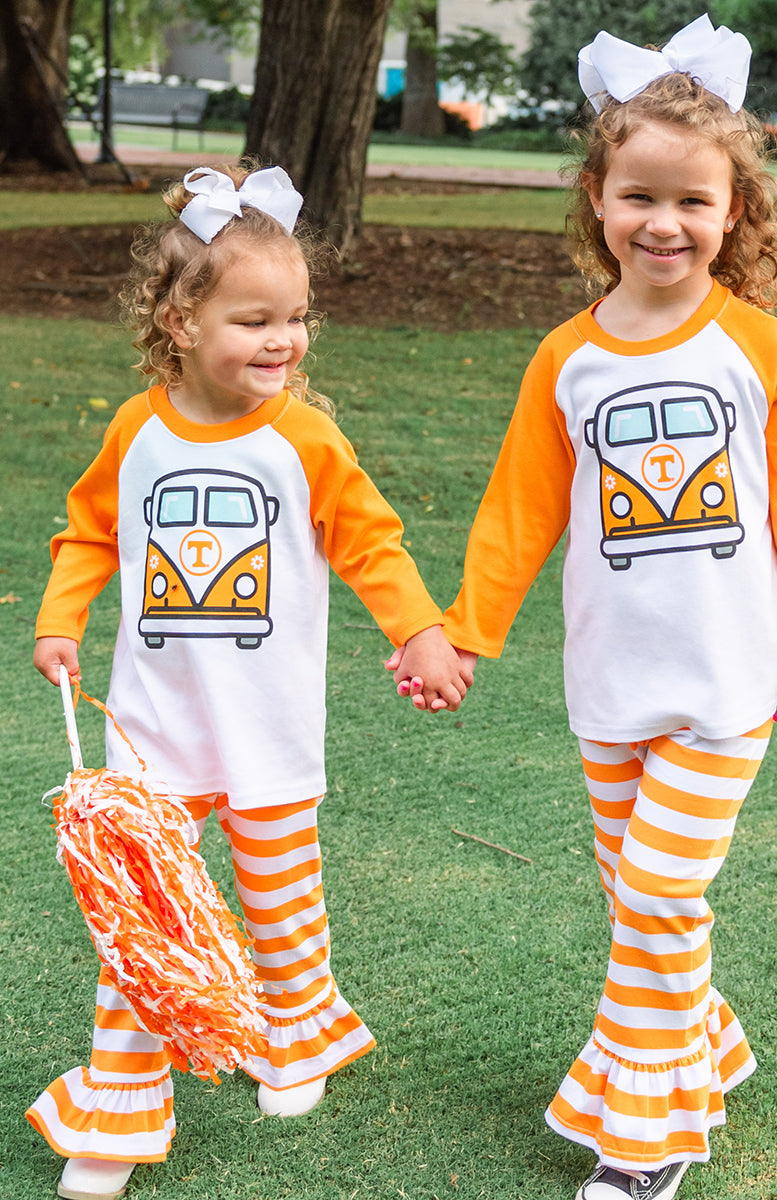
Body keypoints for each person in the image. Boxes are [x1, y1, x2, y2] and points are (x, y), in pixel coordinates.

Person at [391, 15, 777, 1200]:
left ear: (735, 211)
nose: (665, 222)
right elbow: (517, 511)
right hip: (608, 684)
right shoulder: (567, 359)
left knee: (657, 890)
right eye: (638, 194)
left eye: (693, 201)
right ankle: (710, 1044)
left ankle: (645, 1141)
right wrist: (465, 634)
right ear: (597, 199)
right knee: (634, 894)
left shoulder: (756, 347)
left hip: (731, 678)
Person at [28, 161, 470, 1200]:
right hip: (152, 734)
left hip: (266, 730)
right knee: (145, 925)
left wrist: (420, 633)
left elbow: (374, 545)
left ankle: (295, 1036)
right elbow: (87, 531)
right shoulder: (136, 429)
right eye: (255, 320)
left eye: (298, 318)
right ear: (179, 320)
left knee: (281, 905)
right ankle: (119, 1109)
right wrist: (60, 621)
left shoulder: (305, 439)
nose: (284, 342)